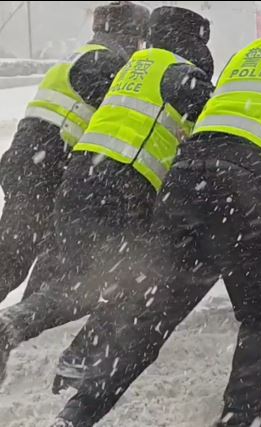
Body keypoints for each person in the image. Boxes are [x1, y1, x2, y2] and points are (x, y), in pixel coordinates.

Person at [52, 4, 261, 427]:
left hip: (185, 185)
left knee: (152, 318)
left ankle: (77, 414)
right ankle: (240, 416)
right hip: (241, 193)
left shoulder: (242, 60)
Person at [0, 6, 214, 394]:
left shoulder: (99, 59)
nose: (140, 43)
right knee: (54, 264)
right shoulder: (105, 62)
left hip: (53, 165)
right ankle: (29, 324)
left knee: (51, 256)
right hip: (58, 167)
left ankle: (28, 321)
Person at [0, 1, 148, 303]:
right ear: (132, 37)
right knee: (18, 260)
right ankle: (19, 323)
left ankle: (15, 327)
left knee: (31, 255)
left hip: (30, 163)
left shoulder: (81, 57)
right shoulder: (105, 65)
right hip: (45, 167)